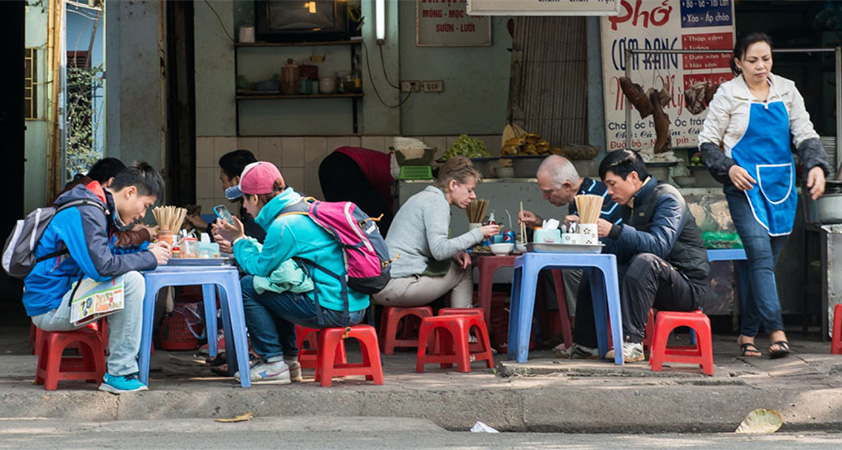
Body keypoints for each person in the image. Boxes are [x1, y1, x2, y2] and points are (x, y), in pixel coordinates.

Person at [698, 32, 828, 358]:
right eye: (752, 60)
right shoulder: (729, 94)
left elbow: (805, 134)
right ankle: (777, 331)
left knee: (765, 263)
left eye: (766, 59)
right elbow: (708, 143)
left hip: (782, 186)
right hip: (744, 187)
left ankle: (745, 334)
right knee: (759, 257)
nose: (760, 66)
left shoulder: (787, 90)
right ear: (738, 62)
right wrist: (728, 168)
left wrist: (816, 166)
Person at [213, 161, 368, 384]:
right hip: (350, 303)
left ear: (255, 199)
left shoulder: (285, 224)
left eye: (244, 200)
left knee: (249, 286)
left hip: (333, 308)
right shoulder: (302, 207)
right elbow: (273, 261)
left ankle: (273, 363)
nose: (244, 207)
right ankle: (289, 362)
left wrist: (238, 241)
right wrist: (242, 241)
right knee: (275, 285)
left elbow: (259, 267)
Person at [23, 162, 171, 393]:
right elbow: (102, 267)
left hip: (66, 296)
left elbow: (108, 251)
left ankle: (121, 369)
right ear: (130, 192)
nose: (142, 214)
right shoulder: (86, 211)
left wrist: (146, 249)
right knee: (132, 281)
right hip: (51, 308)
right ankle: (119, 372)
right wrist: (149, 258)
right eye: (145, 206)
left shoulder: (99, 209)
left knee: (133, 274)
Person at [564, 150, 710, 362]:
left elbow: (659, 246)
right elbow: (624, 249)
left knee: (645, 261)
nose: (609, 192)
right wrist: (588, 235)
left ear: (633, 177)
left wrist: (615, 231)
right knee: (596, 271)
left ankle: (632, 344)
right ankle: (587, 345)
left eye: (612, 184)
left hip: (686, 287)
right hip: (653, 282)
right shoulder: (631, 205)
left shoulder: (667, 198)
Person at [372, 156, 500, 309]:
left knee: (455, 265)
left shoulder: (425, 198)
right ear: (453, 185)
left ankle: (457, 327)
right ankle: (463, 330)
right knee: (463, 270)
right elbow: (439, 251)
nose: (473, 196)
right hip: (398, 285)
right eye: (469, 190)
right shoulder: (436, 203)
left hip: (387, 283)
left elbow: (429, 245)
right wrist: (478, 233)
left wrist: (455, 253)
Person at [518, 155, 622, 321]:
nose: (545, 197)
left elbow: (587, 243)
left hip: (616, 259)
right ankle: (560, 327)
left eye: (548, 192)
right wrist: (540, 224)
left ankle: (580, 330)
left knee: (571, 269)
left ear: (567, 185)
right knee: (547, 269)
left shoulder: (593, 197)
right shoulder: (581, 194)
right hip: (600, 255)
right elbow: (573, 236)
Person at [52, 158, 157, 246]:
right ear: (112, 182)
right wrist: (141, 237)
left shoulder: (88, 199)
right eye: (145, 206)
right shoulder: (87, 207)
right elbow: (103, 262)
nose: (143, 215)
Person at [185, 149, 266, 248]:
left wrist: (234, 246)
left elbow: (253, 241)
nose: (223, 188)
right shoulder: (248, 203)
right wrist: (207, 227)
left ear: (236, 181)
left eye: (223, 182)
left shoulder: (259, 207)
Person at [319, 146, 394, 235]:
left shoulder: (384, 161)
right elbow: (382, 207)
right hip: (346, 164)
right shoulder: (391, 170)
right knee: (381, 219)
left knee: (339, 217)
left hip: (328, 164)